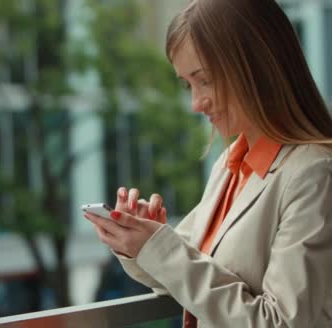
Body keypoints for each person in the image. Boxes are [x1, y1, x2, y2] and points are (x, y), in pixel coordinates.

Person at [83, 0, 332, 327]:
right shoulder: (231, 165)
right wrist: (140, 239)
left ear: (257, 66)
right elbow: (185, 276)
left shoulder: (313, 174)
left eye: (206, 80)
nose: (196, 103)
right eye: (188, 84)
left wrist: (161, 247)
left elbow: (282, 322)